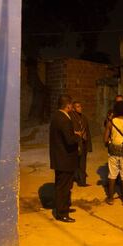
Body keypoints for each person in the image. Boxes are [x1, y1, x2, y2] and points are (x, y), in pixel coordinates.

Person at [49, 95, 81, 223]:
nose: (72, 107)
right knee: (64, 187)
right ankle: (62, 213)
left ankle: (62, 208)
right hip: (65, 159)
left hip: (59, 158)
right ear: (68, 105)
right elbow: (69, 140)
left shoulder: (56, 116)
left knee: (61, 185)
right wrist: (77, 136)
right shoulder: (64, 119)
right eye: (71, 105)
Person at [69, 101, 92, 187]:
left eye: (80, 106)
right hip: (76, 143)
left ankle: (82, 181)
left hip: (83, 143)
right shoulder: (71, 117)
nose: (80, 108)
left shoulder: (84, 117)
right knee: (74, 163)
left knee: (82, 163)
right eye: (78, 107)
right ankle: (72, 180)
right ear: (74, 108)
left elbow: (87, 131)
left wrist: (89, 145)